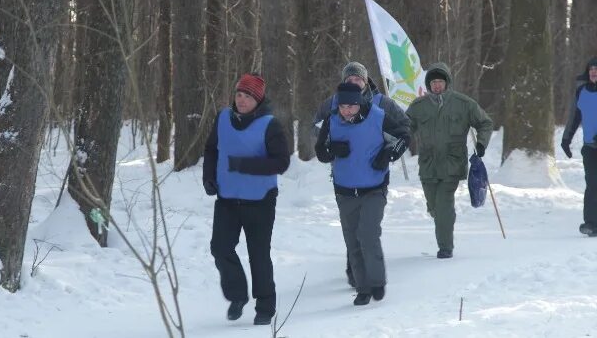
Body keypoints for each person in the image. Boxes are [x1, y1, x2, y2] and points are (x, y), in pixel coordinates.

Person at [202, 73, 290, 325]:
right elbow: (211, 149)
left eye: (248, 96)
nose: (241, 100)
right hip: (228, 199)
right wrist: (209, 177)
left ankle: (265, 307)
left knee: (258, 255)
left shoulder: (269, 124)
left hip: (260, 200)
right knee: (220, 248)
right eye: (239, 94)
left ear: (258, 100)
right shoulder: (222, 119)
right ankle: (237, 296)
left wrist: (245, 165)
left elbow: (282, 162)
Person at [313, 61, 410, 287]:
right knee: (352, 228)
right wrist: (330, 147)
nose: (354, 82)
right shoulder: (334, 103)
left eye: (358, 79)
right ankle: (355, 271)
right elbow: (316, 126)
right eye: (350, 80)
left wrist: (388, 153)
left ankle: (369, 276)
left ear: (366, 81)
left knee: (367, 228)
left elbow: (404, 126)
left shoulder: (382, 103)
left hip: (374, 175)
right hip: (345, 175)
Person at [405, 62, 493, 259]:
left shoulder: (463, 103)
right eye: (433, 82)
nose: (437, 85)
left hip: (452, 164)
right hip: (428, 165)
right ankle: (443, 221)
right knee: (434, 206)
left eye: (440, 81)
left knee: (444, 204)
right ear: (428, 84)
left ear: (447, 83)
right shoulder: (419, 106)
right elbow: (405, 128)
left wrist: (481, 144)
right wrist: (396, 142)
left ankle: (446, 247)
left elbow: (485, 122)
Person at [561, 57, 597, 237]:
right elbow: (574, 117)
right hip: (590, 147)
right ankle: (590, 223)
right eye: (591, 68)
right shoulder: (582, 91)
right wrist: (566, 139)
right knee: (592, 184)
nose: (594, 72)